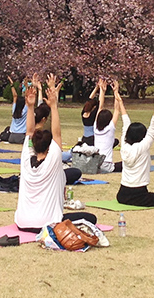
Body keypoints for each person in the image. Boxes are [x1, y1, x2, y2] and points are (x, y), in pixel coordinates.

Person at [15, 74, 98, 232]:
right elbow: (57, 134)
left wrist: (30, 107)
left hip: (22, 222)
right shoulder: (53, 159)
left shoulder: (26, 159)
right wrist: (54, 106)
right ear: (48, 146)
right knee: (91, 218)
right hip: (46, 223)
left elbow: (29, 131)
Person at [116, 90, 154, 207]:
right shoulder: (142, 147)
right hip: (139, 196)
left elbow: (126, 124)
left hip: (122, 194)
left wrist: (120, 102)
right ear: (142, 136)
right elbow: (153, 128)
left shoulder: (124, 146)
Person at [93, 79, 122, 173]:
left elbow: (100, 107)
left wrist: (102, 90)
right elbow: (117, 109)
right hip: (106, 165)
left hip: (95, 163)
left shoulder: (95, 127)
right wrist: (116, 91)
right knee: (128, 163)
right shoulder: (110, 128)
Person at [6, 80, 28, 144]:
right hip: (21, 136)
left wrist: (12, 85)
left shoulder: (14, 110)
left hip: (11, 137)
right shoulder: (25, 111)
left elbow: (15, 96)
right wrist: (27, 87)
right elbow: (27, 97)